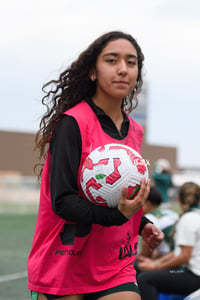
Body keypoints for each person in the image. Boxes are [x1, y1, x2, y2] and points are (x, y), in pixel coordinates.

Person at [27, 31, 164, 300]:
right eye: (112, 61)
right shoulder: (73, 123)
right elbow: (63, 201)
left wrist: (141, 222)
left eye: (131, 62)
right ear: (92, 71)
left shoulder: (134, 130)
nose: (123, 69)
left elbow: (115, 192)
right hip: (64, 262)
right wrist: (119, 217)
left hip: (114, 264)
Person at [137, 182, 200, 300]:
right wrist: (156, 263)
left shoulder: (188, 218)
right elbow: (177, 252)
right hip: (192, 273)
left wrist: (155, 267)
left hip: (195, 277)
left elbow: (184, 257)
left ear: (178, 198)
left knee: (145, 279)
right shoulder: (195, 215)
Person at [138, 186, 178, 259]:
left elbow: (145, 255)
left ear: (148, 203)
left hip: (172, 260)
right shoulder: (170, 212)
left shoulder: (149, 218)